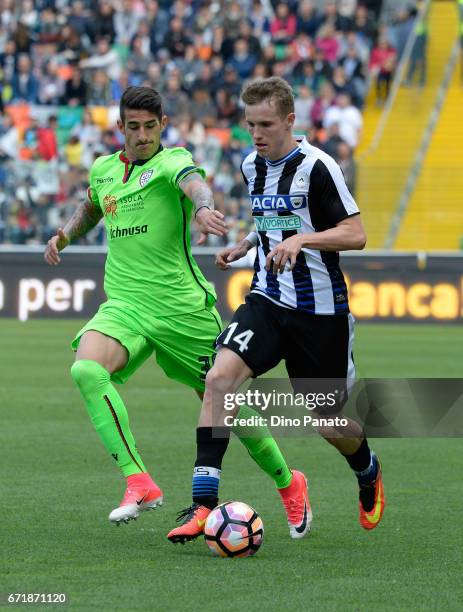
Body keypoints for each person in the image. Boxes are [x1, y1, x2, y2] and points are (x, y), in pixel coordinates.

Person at [43, 86, 300, 528]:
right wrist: (65, 234)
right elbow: (91, 208)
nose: (142, 136)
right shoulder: (105, 169)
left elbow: (195, 186)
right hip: (124, 304)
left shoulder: (172, 160)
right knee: (86, 370)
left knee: (225, 404)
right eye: (133, 127)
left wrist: (203, 211)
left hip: (181, 309)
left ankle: (288, 482)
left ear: (162, 125)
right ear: (120, 127)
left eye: (150, 126)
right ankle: (139, 480)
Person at [168, 77, 385, 544]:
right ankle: (204, 504)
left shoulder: (319, 167)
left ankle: (366, 469)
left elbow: (356, 233)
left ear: (290, 119)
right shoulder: (251, 165)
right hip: (267, 298)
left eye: (266, 124)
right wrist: (244, 245)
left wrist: (304, 240)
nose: (257, 134)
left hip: (319, 312)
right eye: (250, 125)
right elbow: (271, 223)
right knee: (218, 379)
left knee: (330, 423)